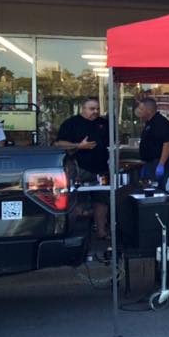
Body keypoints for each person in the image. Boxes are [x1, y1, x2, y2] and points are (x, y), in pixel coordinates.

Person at [56, 96, 110, 238]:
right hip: (78, 168)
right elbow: (59, 144)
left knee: (102, 200)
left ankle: (101, 232)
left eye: (97, 109)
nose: (95, 112)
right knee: (78, 200)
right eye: (92, 109)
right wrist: (79, 146)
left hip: (101, 168)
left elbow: (113, 142)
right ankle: (78, 234)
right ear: (83, 109)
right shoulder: (71, 123)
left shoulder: (104, 123)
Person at [135, 97, 169, 188]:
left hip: (157, 162)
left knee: (156, 189)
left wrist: (161, 164)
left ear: (149, 111)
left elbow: (167, 143)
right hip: (150, 163)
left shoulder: (160, 123)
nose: (139, 111)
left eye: (141, 109)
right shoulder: (149, 122)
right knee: (147, 188)